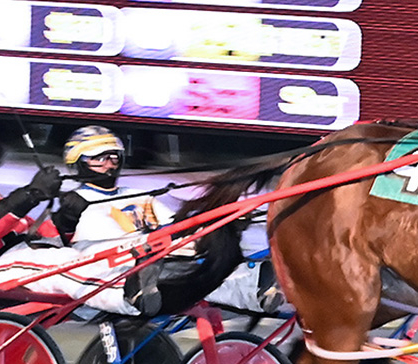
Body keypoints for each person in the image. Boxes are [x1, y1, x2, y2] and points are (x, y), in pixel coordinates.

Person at [0, 114, 160, 316]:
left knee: (105, 248)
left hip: (19, 256)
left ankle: (161, 269)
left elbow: (32, 235)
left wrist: (65, 220)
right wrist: (31, 194)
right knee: (62, 264)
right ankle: (125, 297)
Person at [54, 125, 283, 313]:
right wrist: (65, 218)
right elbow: (57, 242)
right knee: (178, 262)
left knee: (200, 269)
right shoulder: (74, 200)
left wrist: (222, 222)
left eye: (113, 156)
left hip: (154, 259)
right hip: (106, 267)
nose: (109, 164)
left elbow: (178, 228)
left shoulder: (139, 195)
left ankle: (255, 286)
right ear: (78, 162)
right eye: (99, 158)